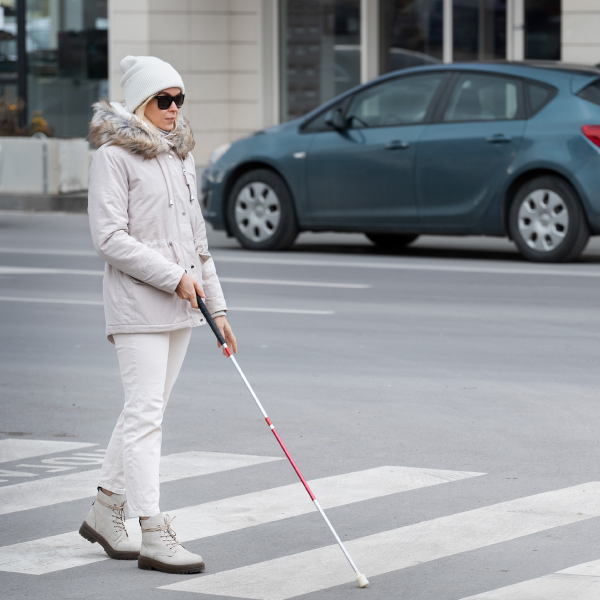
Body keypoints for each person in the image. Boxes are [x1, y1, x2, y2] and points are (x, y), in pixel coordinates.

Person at [80, 55, 237, 574]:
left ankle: (106, 509)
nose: (173, 110)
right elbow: (108, 238)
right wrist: (173, 276)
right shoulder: (113, 156)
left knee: (143, 410)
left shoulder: (179, 157)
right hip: (137, 306)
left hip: (182, 306)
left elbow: (198, 242)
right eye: (163, 100)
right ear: (141, 103)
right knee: (146, 415)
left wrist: (218, 308)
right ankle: (152, 530)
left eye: (179, 99)